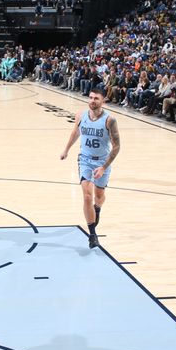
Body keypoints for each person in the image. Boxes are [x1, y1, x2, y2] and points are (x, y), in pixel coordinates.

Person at [60, 87, 121, 249]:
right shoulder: (80, 115)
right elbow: (75, 132)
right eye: (91, 97)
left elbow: (117, 147)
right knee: (87, 196)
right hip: (85, 160)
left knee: (99, 196)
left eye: (96, 98)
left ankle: (97, 209)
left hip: (102, 161)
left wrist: (104, 167)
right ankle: (92, 234)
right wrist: (66, 150)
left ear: (103, 101)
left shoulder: (110, 120)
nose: (92, 101)